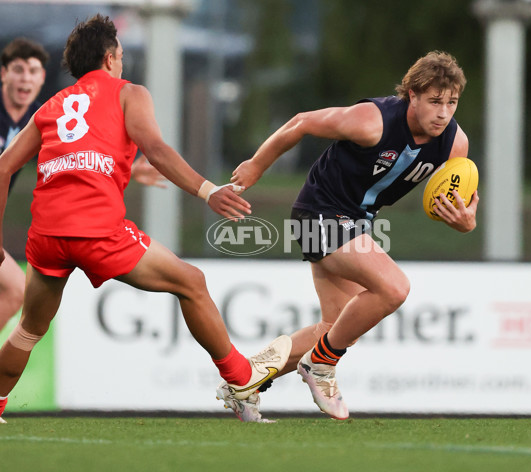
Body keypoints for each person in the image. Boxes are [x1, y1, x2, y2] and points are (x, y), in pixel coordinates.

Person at [0, 14, 291, 424]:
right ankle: (242, 381)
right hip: (97, 232)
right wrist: (208, 190)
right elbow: (154, 147)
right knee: (191, 283)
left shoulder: (51, 105)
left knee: (29, 329)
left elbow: (3, 167)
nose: (121, 62)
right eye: (119, 55)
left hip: (47, 234)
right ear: (109, 58)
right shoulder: (128, 93)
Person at [217, 51, 479, 422]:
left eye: (451, 102)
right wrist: (257, 165)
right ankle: (321, 366)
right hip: (318, 212)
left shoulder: (455, 145)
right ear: (412, 95)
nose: (443, 112)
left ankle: (244, 380)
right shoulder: (371, 121)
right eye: (435, 101)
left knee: (338, 328)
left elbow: (456, 207)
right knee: (394, 288)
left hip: (358, 221)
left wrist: (464, 221)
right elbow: (301, 122)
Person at [0, 37, 166, 333]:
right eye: (18, 69)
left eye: (34, 71)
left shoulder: (42, 115)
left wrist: (124, 166)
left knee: (14, 290)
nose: (26, 77)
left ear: (42, 79)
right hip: (69, 239)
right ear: (3, 74)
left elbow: (77, 154)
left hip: (59, 237)